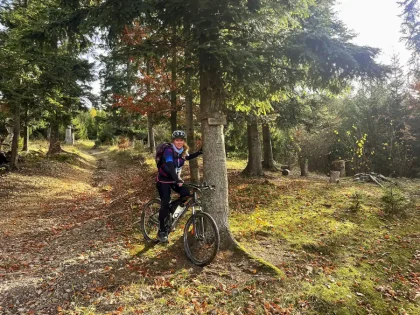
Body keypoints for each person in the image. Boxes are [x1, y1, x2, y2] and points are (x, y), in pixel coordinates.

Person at [156, 130, 202, 242]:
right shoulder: (168, 150)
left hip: (175, 180)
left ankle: (171, 208)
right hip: (163, 180)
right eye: (177, 140)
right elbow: (170, 165)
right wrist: (177, 178)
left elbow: (188, 157)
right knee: (165, 202)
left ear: (183, 141)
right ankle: (162, 231)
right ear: (173, 141)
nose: (179, 142)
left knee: (186, 194)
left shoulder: (182, 151)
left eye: (181, 140)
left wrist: (200, 152)